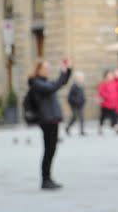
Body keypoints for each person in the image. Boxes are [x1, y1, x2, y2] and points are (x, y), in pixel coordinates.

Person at [28, 58, 72, 189]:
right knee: (49, 150)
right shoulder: (36, 83)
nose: (48, 71)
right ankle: (45, 180)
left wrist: (67, 70)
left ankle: (48, 178)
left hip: (52, 119)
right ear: (39, 69)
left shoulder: (43, 82)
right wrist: (62, 73)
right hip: (46, 120)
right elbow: (54, 86)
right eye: (46, 68)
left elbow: (61, 83)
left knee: (52, 149)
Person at [65, 71, 87, 136]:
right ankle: (67, 127)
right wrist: (75, 101)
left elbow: (82, 96)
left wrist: (83, 101)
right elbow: (69, 97)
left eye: (82, 78)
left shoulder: (81, 86)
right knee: (74, 117)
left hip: (80, 105)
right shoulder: (74, 86)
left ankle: (82, 131)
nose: (81, 79)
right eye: (80, 78)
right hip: (74, 105)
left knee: (81, 117)